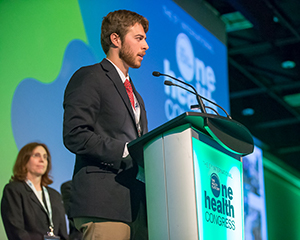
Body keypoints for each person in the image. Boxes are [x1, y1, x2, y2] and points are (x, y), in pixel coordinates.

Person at [63, 9, 149, 240]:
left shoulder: (137, 96)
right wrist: (125, 151)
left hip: (137, 212)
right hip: (103, 205)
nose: (146, 46)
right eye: (139, 38)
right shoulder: (91, 76)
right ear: (116, 39)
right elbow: (75, 134)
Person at [1, 142, 68, 240]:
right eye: (37, 155)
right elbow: (16, 230)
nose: (42, 160)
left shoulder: (55, 195)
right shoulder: (14, 190)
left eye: (45, 157)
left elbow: (63, 233)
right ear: (24, 160)